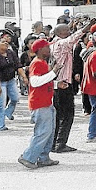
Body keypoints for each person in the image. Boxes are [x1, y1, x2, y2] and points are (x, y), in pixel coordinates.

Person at [19, 39, 62, 169]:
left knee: (49, 131)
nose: (49, 50)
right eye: (47, 47)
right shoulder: (37, 63)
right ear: (40, 50)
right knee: (43, 132)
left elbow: (43, 82)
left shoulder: (42, 63)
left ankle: (43, 157)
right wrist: (54, 72)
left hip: (45, 102)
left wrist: (56, 84)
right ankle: (28, 157)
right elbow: (35, 82)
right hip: (40, 103)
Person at [51, 22, 89, 153]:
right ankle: (60, 143)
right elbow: (72, 39)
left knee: (59, 115)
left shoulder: (54, 44)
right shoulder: (61, 44)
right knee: (67, 115)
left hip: (58, 83)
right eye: (67, 31)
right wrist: (84, 29)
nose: (70, 33)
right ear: (61, 33)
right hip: (62, 84)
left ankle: (54, 142)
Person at [0, 35, 28, 131]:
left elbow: (18, 65)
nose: (6, 43)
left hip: (11, 80)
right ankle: (0, 125)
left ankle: (8, 112)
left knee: (15, 98)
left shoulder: (10, 53)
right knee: (0, 103)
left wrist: (24, 77)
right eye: (3, 42)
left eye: (6, 42)